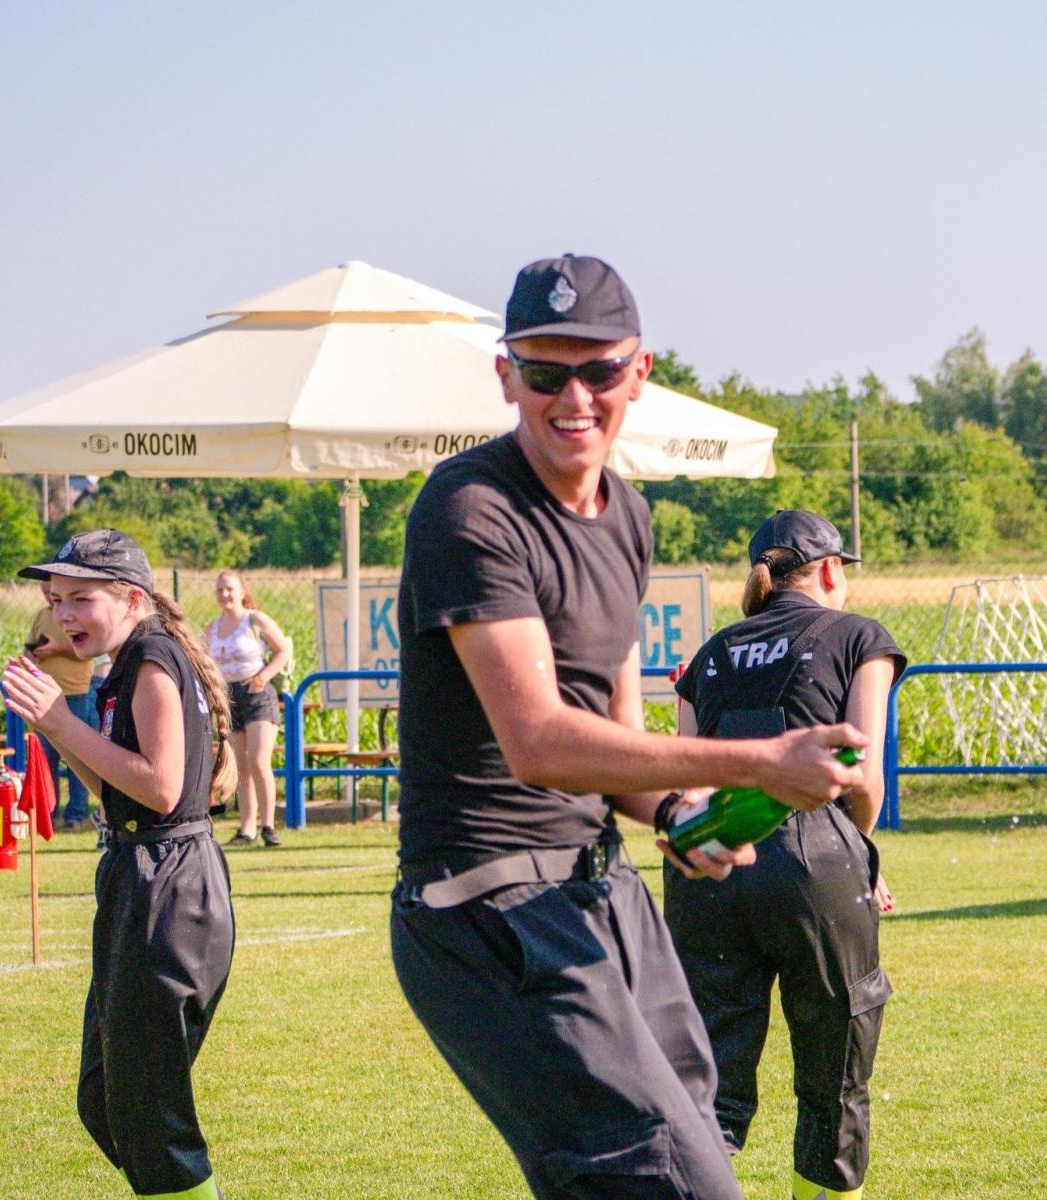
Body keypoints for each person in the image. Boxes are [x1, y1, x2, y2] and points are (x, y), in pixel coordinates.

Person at [389, 254, 867, 1200]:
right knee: (671, 1178)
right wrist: (760, 762)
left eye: (599, 370)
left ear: (638, 373)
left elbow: (617, 731)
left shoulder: (628, 518)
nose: (574, 397)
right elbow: (539, 741)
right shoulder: (470, 507)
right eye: (545, 371)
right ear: (506, 375)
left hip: (599, 889)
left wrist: (680, 812)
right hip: (487, 906)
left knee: (695, 1127)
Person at [665, 510, 905, 1200]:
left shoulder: (710, 654)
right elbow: (861, 771)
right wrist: (856, 854)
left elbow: (686, 779)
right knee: (834, 1080)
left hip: (708, 863)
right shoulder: (858, 636)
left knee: (704, 1085)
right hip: (814, 861)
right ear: (828, 570)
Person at [1, 529, 237, 1200]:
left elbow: (161, 788)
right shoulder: (125, 663)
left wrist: (62, 722)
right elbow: (115, 792)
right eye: (55, 600)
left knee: (147, 1109)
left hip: (172, 886)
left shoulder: (153, 659)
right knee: (106, 1096)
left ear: (132, 599)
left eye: (80, 599)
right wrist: (55, 728)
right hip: (142, 875)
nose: (63, 615)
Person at [206, 569, 290, 847]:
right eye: (220, 590)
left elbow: (282, 650)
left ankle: (269, 825)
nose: (225, 594)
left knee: (258, 760)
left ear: (242, 591)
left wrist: (263, 677)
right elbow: (205, 662)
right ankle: (247, 828)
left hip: (257, 694)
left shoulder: (254, 620)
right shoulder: (212, 629)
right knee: (240, 766)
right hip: (229, 697)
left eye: (230, 589)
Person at [23, 582, 97, 830]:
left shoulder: (78, 617)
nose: (47, 596)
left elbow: (87, 651)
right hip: (44, 696)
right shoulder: (43, 616)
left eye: (51, 592)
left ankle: (75, 815)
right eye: (45, 593)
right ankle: (48, 813)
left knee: (77, 758)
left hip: (75, 693)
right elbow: (29, 646)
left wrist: (58, 649)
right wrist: (29, 658)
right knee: (46, 758)